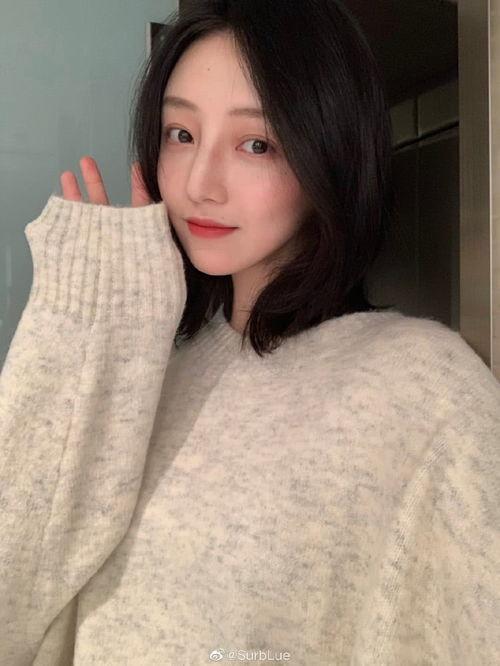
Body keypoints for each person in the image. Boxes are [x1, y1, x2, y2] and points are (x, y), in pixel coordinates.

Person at [1, 1, 499, 664]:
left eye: (256, 144)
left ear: (331, 155)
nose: (200, 184)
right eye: (181, 133)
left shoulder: (426, 391)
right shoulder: (151, 366)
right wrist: (88, 331)